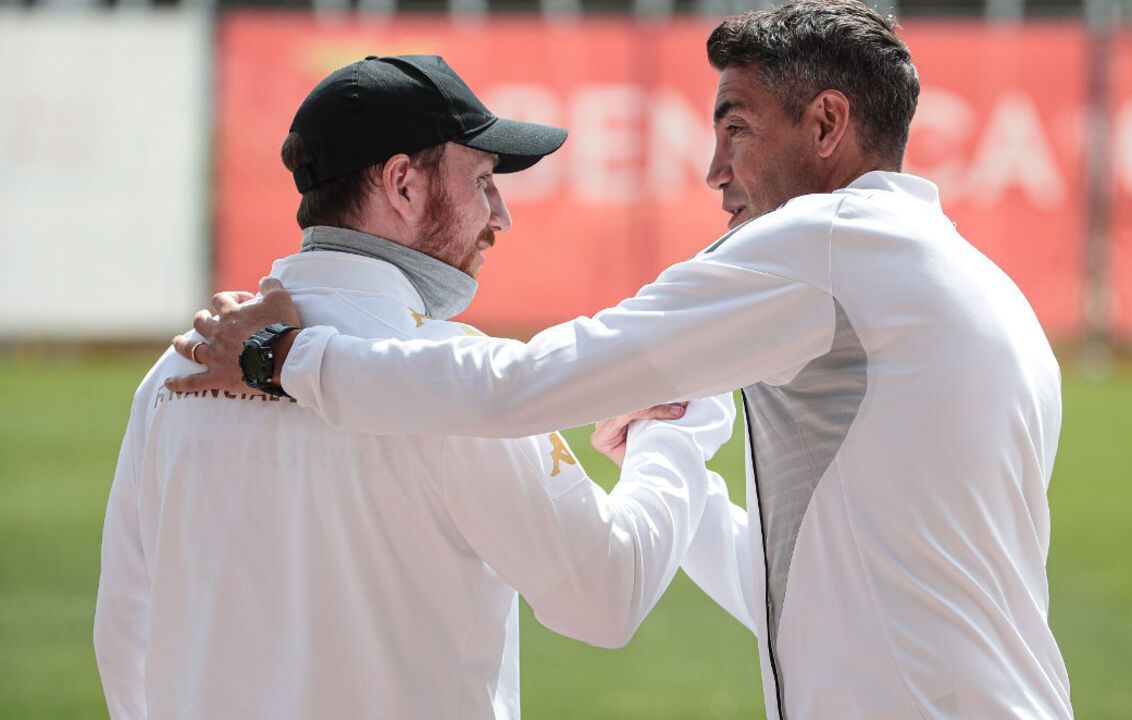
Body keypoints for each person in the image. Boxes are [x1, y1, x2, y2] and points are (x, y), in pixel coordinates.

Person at [173, 2, 1073, 718]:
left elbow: (522, 387)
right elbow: (813, 587)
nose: (714, 170)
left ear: (828, 123)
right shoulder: (973, 284)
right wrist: (669, 458)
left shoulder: (825, 242)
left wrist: (281, 356)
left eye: (738, 128)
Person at [94, 54, 741, 720]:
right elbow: (608, 594)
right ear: (402, 184)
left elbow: (125, 633)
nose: (501, 215)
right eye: (484, 180)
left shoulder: (179, 371)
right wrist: (672, 435)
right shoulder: (450, 382)